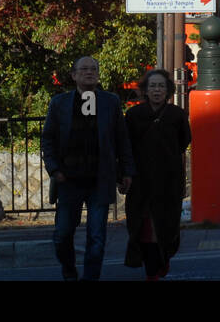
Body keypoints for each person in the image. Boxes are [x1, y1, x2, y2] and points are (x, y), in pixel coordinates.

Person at [42, 56, 135, 281]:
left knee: (97, 236)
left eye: (94, 69)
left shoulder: (110, 101)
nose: (89, 73)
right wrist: (54, 169)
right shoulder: (59, 103)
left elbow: (122, 139)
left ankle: (91, 277)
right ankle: (69, 270)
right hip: (68, 179)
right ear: (73, 75)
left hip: (99, 179)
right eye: (84, 69)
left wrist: (127, 171)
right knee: (62, 234)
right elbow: (48, 139)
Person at [122, 68, 191, 281]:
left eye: (161, 86)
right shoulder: (133, 116)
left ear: (168, 90)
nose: (157, 90)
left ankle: (164, 258)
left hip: (169, 180)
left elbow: (184, 141)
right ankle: (152, 271)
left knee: (167, 226)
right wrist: (124, 175)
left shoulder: (177, 115)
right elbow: (126, 146)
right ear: (145, 90)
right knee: (143, 227)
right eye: (153, 86)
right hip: (140, 181)